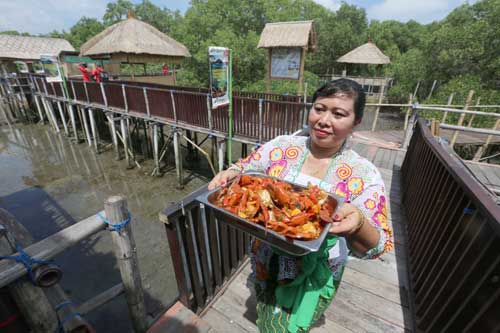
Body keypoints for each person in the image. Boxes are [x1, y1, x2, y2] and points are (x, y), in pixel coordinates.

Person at [208, 79, 393, 333]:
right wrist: (231, 171)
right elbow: (247, 166)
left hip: (316, 272)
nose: (324, 120)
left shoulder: (364, 174)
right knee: (268, 314)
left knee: (294, 323)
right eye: (319, 108)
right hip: (266, 259)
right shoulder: (283, 146)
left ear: (356, 123)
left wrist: (358, 222)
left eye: (339, 114)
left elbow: (378, 247)